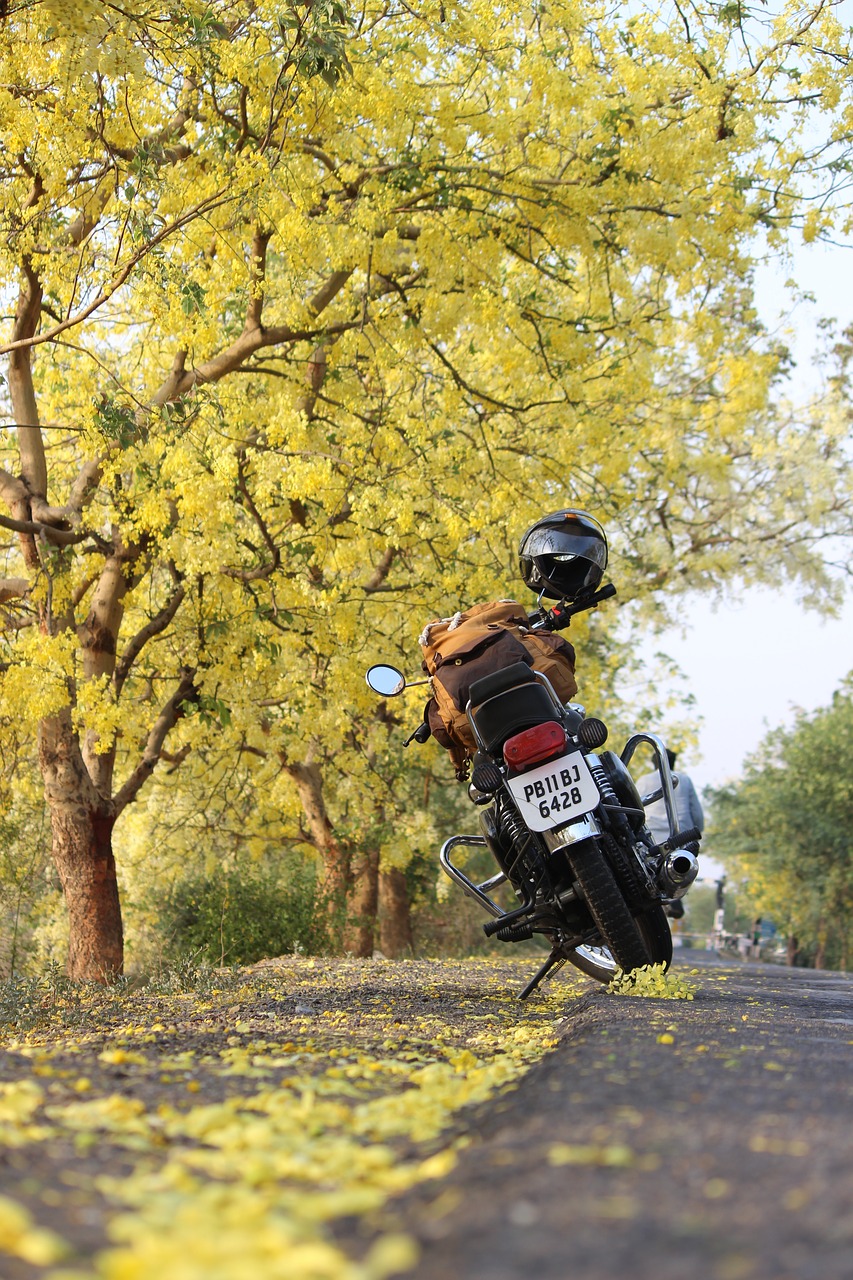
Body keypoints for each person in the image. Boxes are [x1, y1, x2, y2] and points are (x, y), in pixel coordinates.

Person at [636, 748, 704, 919]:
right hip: (680, 834)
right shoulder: (685, 780)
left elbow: (635, 806)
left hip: (651, 835)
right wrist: (697, 830)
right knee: (677, 871)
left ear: (653, 763)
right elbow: (696, 812)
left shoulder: (644, 781)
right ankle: (674, 900)